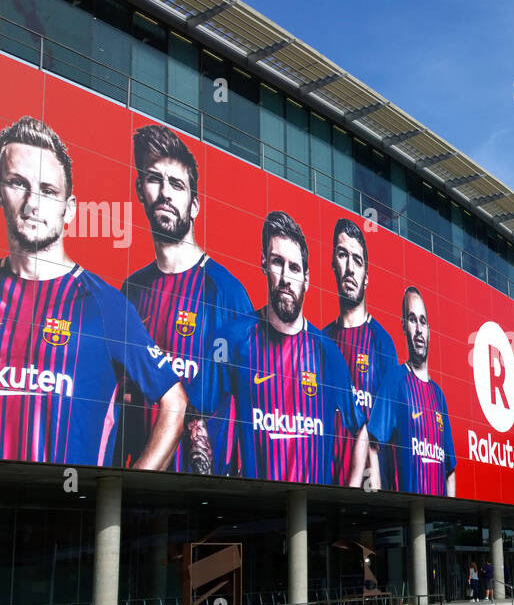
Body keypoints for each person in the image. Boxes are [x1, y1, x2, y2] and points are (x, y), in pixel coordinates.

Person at [0, 115, 187, 468]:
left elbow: (173, 402)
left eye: (49, 191)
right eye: (18, 183)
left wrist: (125, 494)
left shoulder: (107, 305)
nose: (33, 204)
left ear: (68, 209)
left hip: (73, 518)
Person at [189, 211, 368, 483]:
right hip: (251, 511)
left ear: (306, 278)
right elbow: (196, 409)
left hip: (314, 513)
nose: (286, 278)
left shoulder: (328, 353)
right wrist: (208, 476)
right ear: (263, 263)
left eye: (294, 268)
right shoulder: (230, 338)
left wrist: (354, 488)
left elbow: (360, 427)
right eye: (277, 262)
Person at [118, 124, 254, 474]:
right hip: (136, 488)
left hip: (203, 493)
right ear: (139, 190)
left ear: (194, 205)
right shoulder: (130, 291)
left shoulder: (226, 292)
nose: (165, 193)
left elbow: (250, 398)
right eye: (154, 180)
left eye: (176, 185)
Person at [323, 218, 399, 490]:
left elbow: (388, 423)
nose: (350, 268)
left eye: (357, 259)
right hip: (324, 482)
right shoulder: (320, 340)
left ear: (367, 274)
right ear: (333, 263)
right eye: (343, 255)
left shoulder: (383, 342)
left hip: (371, 487)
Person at [367, 287, 455, 495]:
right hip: (404, 513)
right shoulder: (395, 380)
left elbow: (450, 468)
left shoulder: (439, 395)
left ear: (429, 331)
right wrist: (378, 495)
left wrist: (451, 510)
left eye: (423, 321)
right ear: (404, 326)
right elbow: (372, 443)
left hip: (438, 516)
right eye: (412, 319)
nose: (418, 329)